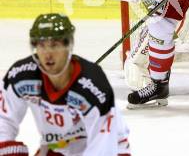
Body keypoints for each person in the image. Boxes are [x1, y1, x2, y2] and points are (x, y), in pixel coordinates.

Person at [0, 13, 130, 155]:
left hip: (109, 147)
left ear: (68, 46)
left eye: (55, 45)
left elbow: (103, 148)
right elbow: (3, 121)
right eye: (42, 46)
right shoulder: (21, 75)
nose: (47, 54)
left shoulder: (94, 88)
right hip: (59, 147)